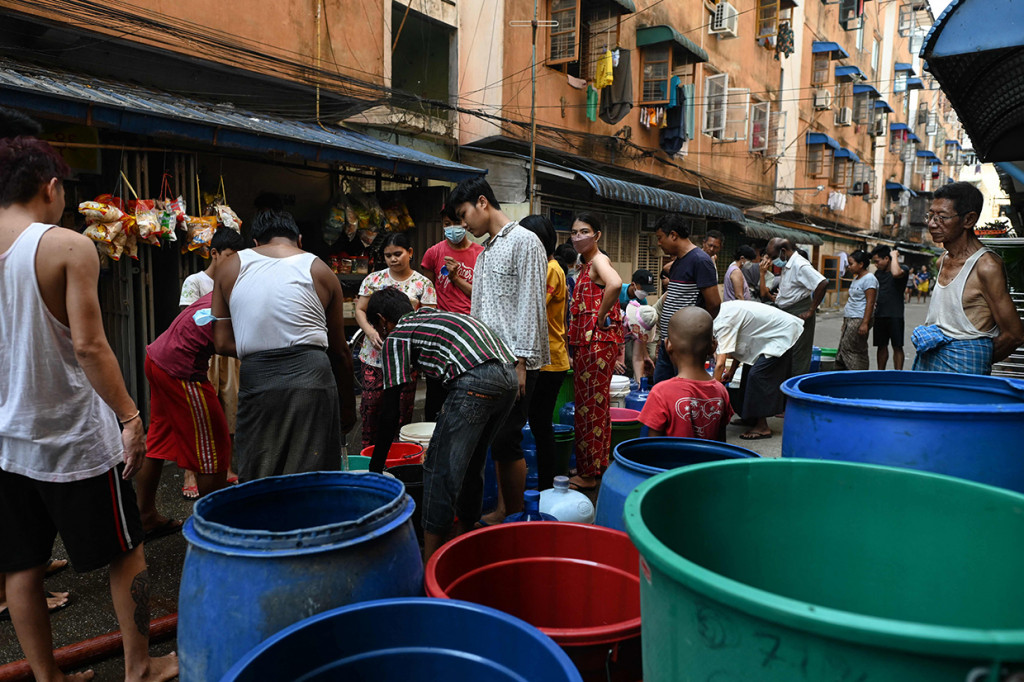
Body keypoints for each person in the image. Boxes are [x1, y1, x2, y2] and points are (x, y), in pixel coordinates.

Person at [0, 135, 178, 681]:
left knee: (20, 567)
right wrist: (130, 416)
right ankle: (139, 667)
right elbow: (90, 346)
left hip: (6, 443)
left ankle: (48, 678)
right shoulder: (66, 246)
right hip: (72, 438)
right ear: (51, 187)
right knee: (127, 552)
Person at [366, 289, 518, 558]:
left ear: (382, 321)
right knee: (473, 461)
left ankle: (431, 560)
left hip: (475, 379)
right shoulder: (432, 316)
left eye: (379, 326)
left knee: (438, 469)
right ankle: (463, 542)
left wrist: (375, 469)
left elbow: (391, 411)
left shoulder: (397, 336)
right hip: (508, 377)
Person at [212, 209, 357, 481]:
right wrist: (348, 407)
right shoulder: (320, 269)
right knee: (313, 474)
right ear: (299, 240)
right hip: (313, 377)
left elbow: (220, 342)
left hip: (257, 378)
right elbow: (340, 351)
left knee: (259, 471)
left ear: (255, 242)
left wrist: (263, 347)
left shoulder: (229, 267)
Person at [450, 177, 548, 520]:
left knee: (508, 439)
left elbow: (531, 305)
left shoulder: (526, 241)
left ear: (481, 202)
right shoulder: (486, 252)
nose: (464, 225)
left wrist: (521, 363)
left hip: (514, 361)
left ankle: (515, 515)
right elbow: (479, 311)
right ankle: (505, 509)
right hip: (487, 360)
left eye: (464, 215)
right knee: (495, 440)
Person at [135, 291, 234, 539]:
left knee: (157, 441)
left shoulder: (225, 285)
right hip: (181, 370)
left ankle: (145, 516)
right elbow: (227, 343)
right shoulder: (247, 289)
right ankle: (216, 531)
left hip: (158, 359)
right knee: (214, 447)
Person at [912, 182, 1024, 375]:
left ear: (968, 220)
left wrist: (974, 357)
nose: (931, 224)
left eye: (941, 217)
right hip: (930, 366)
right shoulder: (942, 261)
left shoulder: (986, 266)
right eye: (931, 215)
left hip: (965, 373)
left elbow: (1014, 335)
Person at [178, 227, 245, 498]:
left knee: (230, 409)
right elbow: (188, 320)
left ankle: (228, 466)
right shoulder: (194, 282)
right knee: (198, 413)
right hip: (203, 355)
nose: (232, 263)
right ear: (214, 254)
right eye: (228, 256)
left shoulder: (237, 281)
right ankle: (190, 472)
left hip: (228, 355)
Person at [354, 232, 436, 449]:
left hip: (406, 360)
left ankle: (397, 456)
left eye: (397, 254)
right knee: (371, 409)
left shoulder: (423, 284)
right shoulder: (374, 279)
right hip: (373, 357)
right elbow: (360, 310)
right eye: (388, 255)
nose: (392, 259)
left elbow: (427, 321)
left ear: (410, 252)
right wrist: (370, 332)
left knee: (401, 414)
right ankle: (369, 457)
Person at [566, 213, 624, 491]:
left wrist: (600, 317)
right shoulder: (587, 264)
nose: (578, 237)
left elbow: (615, 284)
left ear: (597, 235)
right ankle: (597, 464)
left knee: (588, 408)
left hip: (594, 343)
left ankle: (589, 473)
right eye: (574, 232)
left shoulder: (598, 261)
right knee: (597, 407)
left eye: (584, 231)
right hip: (596, 344)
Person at [520, 215, 570, 491]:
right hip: (546, 358)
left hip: (549, 360)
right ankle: (546, 484)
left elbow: (533, 305)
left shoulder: (551, 268)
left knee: (540, 424)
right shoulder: (545, 267)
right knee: (539, 424)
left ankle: (547, 486)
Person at [420, 204, 483, 420]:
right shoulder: (433, 253)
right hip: (441, 334)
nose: (452, 228)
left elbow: (483, 296)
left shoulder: (481, 254)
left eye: (456, 222)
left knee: (465, 388)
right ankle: (431, 436)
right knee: (436, 392)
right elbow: (427, 293)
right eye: (447, 224)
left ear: (465, 223)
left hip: (470, 332)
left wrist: (457, 279)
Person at [713, 300, 804, 440]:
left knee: (757, 376)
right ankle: (749, 418)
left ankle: (762, 427)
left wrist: (713, 393)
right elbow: (738, 346)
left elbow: (720, 364)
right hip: (765, 336)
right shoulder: (718, 314)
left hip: (781, 333)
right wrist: (731, 371)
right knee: (747, 372)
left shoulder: (723, 322)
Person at [638, 308, 732, 440]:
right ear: (713, 346)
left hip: (673, 461)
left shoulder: (660, 392)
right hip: (711, 460)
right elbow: (722, 444)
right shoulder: (721, 391)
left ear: (668, 345)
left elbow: (653, 446)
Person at [653, 214, 721, 384]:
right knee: (662, 388)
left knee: (682, 391)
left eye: (660, 238)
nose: (659, 243)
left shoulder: (700, 261)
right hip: (669, 341)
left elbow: (714, 304)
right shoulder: (679, 262)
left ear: (673, 235)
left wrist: (695, 331)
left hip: (685, 345)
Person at [762, 237, 827, 376]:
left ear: (783, 251)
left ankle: (794, 387)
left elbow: (822, 283)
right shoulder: (788, 264)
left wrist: (811, 310)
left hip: (799, 310)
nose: (773, 261)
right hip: (787, 311)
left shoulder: (799, 264)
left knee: (799, 354)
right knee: (786, 351)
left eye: (774, 257)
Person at [835, 250, 878, 371]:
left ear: (861, 264)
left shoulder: (869, 279)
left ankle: (858, 374)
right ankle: (843, 374)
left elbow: (870, 302)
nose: (849, 267)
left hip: (859, 318)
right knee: (844, 346)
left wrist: (865, 323)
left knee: (852, 349)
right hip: (850, 317)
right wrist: (845, 323)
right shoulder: (857, 278)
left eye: (851, 264)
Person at [869, 245, 910, 370]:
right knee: (881, 346)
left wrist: (894, 256)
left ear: (887, 258)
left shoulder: (902, 269)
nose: (876, 265)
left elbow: (896, 273)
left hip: (895, 315)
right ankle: (880, 373)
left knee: (897, 346)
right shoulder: (878, 273)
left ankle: (898, 375)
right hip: (880, 314)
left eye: (877, 261)